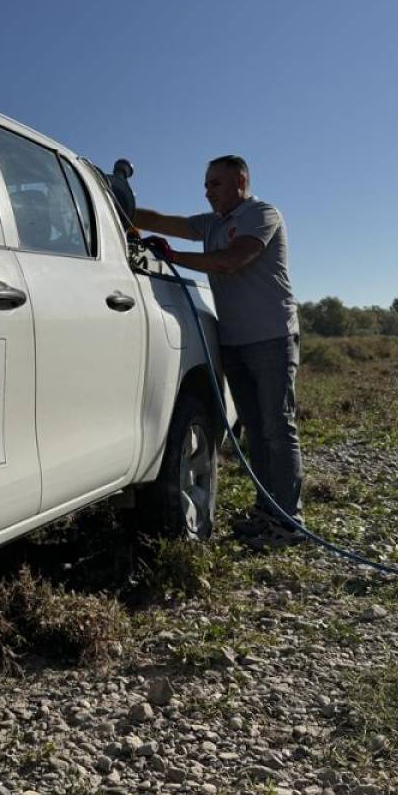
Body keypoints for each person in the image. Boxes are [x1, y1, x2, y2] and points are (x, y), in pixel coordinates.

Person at [133, 155, 303, 549]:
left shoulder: (261, 214)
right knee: (255, 430)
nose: (208, 192)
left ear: (240, 180)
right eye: (206, 185)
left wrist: (172, 257)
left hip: (271, 338)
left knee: (278, 428)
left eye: (216, 184)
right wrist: (118, 201)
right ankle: (267, 510)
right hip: (234, 340)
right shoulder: (211, 223)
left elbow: (231, 261)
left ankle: (290, 521)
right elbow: (164, 220)